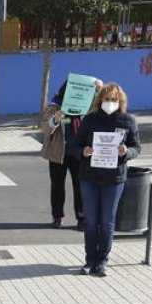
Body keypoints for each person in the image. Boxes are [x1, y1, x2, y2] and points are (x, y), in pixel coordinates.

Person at [75, 82, 141, 276]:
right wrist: (83, 151)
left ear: (120, 101)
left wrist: (127, 151)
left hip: (114, 178)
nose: (110, 102)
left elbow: (137, 147)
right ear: (100, 100)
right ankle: (90, 260)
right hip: (89, 177)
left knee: (107, 222)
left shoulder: (128, 121)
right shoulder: (90, 120)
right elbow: (75, 145)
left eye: (114, 99)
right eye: (107, 99)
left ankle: (102, 260)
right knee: (90, 221)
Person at [40, 79, 102, 230]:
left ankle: (81, 217)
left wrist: (98, 87)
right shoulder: (55, 105)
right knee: (57, 186)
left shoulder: (86, 105)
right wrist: (55, 120)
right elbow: (45, 128)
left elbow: (98, 107)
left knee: (80, 186)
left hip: (79, 152)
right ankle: (57, 216)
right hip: (58, 152)